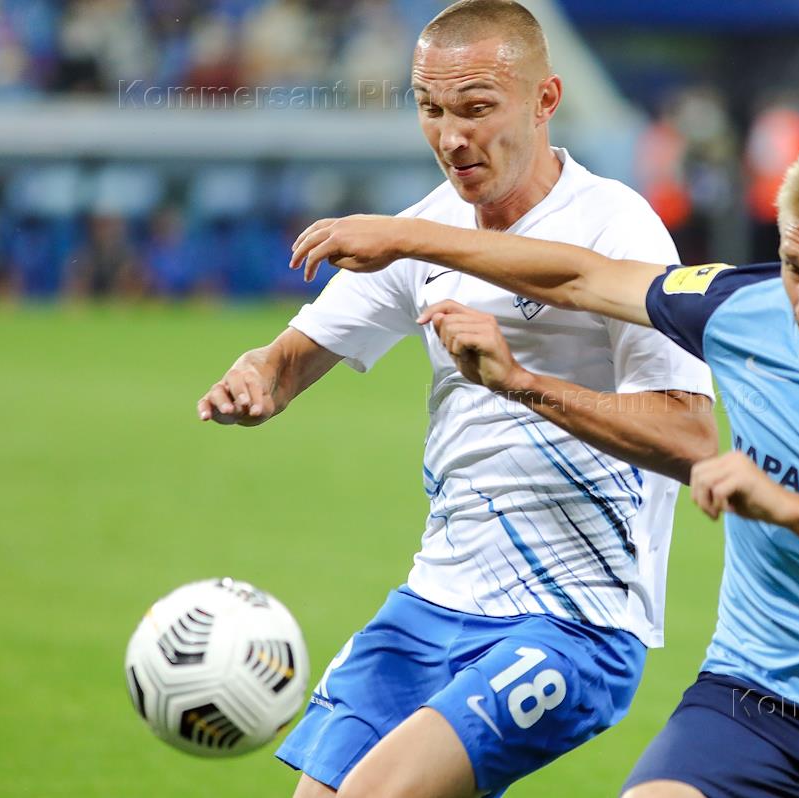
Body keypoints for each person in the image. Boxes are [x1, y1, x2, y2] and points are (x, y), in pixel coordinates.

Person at [292, 133, 799, 797]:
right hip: (749, 705)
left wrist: (781, 503)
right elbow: (580, 277)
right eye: (793, 268)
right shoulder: (742, 308)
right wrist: (410, 239)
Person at [197, 2, 716, 797]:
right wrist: (258, 376)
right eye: (430, 109)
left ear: (545, 100)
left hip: (574, 618)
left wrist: (523, 383)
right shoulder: (420, 230)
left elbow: (692, 438)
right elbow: (290, 360)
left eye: (475, 108)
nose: (450, 137)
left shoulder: (618, 229)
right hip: (431, 602)